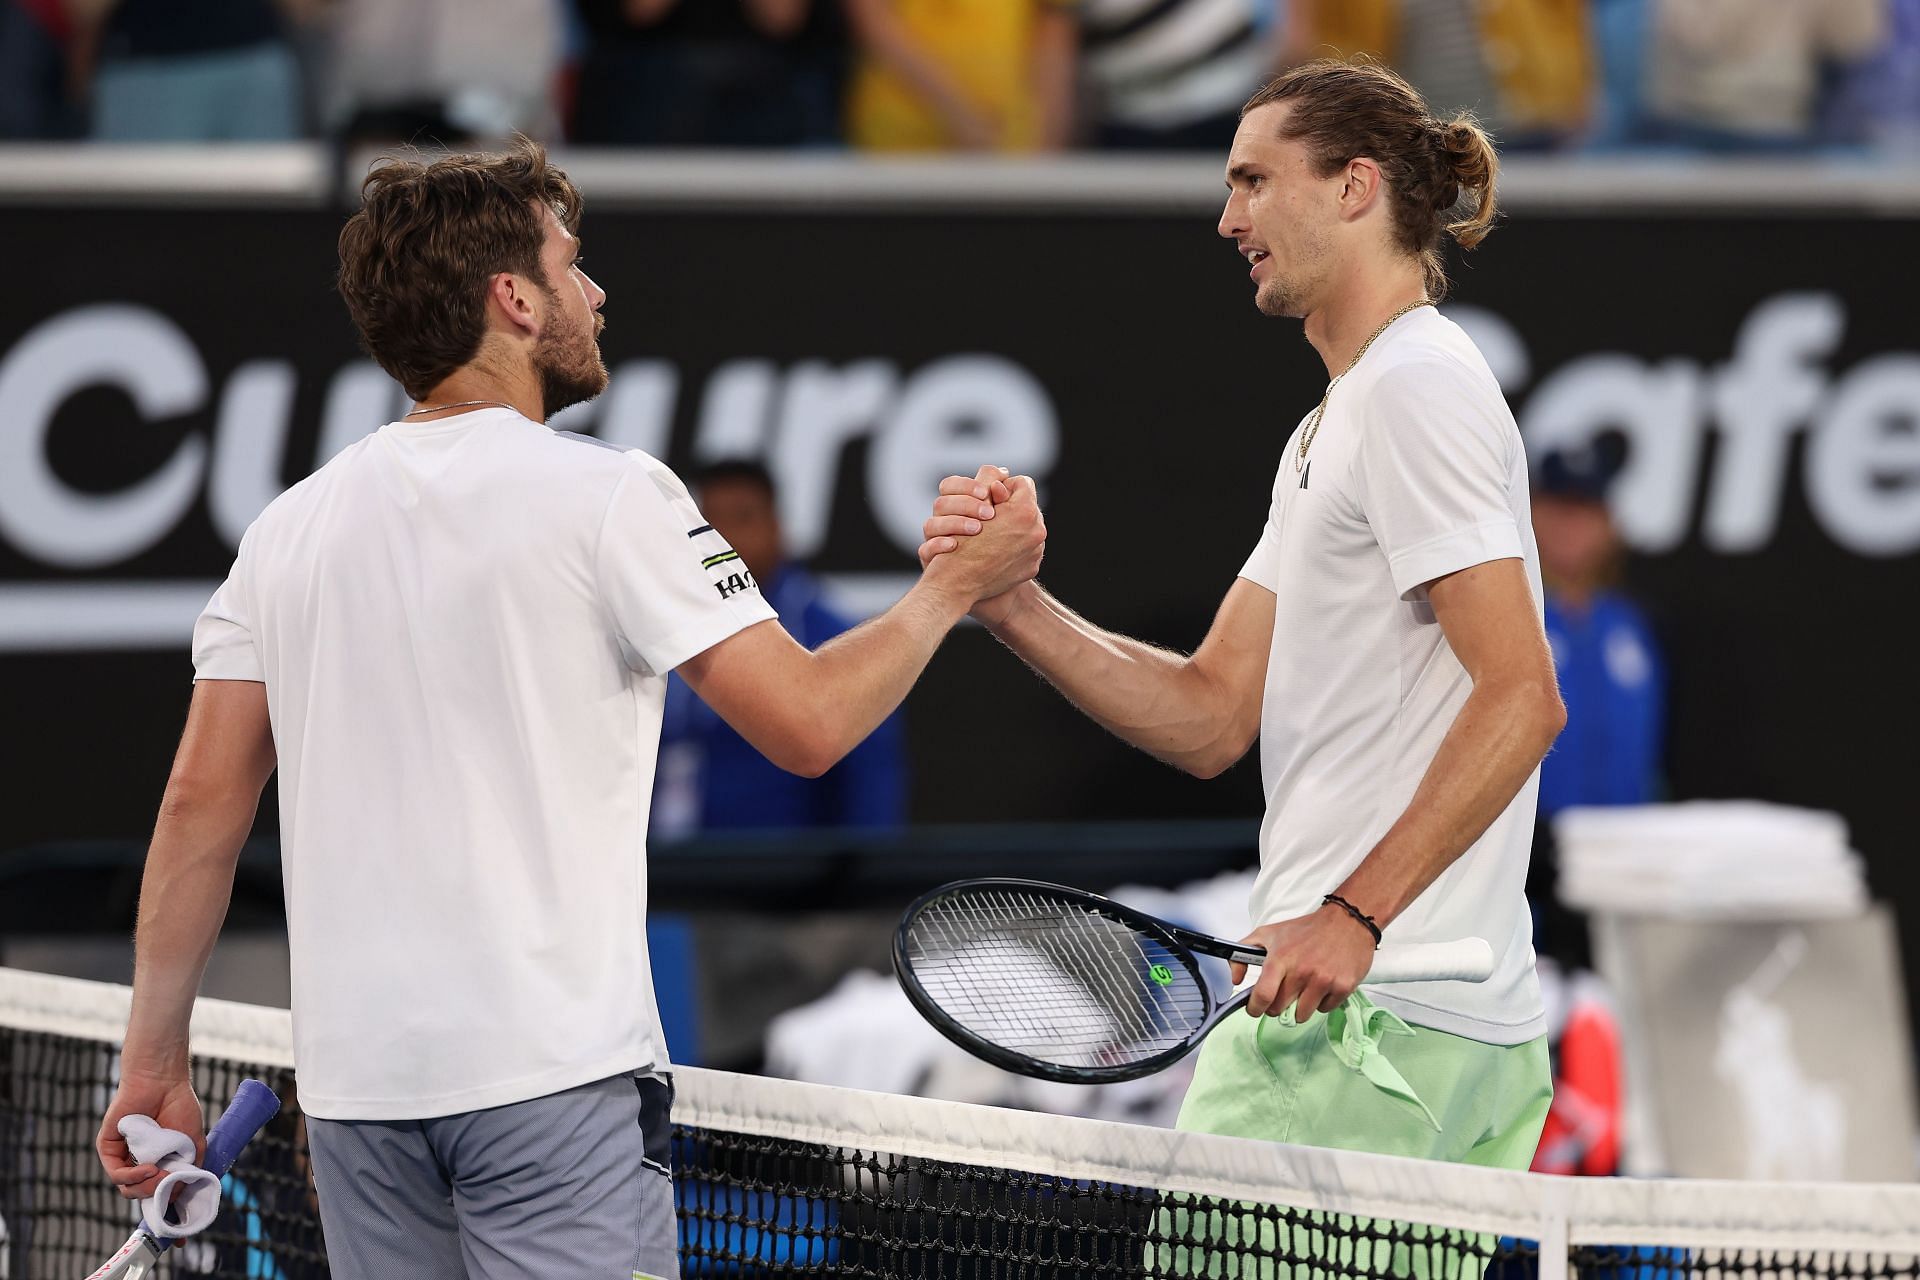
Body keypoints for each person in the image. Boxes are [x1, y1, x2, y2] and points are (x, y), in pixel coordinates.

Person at [92, 139, 1044, 1280]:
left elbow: (201, 802)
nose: (594, 293)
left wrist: (150, 1057)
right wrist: (953, 588)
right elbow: (811, 722)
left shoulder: (284, 531)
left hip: (357, 1105)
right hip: (551, 1087)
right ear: (512, 297)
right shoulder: (611, 493)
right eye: (572, 265)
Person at [922, 59, 1563, 1167]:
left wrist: (1353, 913)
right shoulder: (1337, 421)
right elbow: (1214, 712)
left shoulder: (1414, 387)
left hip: (1361, 1035)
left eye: (1256, 181)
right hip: (1412, 1036)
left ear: (1356, 188)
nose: (1229, 219)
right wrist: (1011, 603)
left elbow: (1523, 694)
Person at [655, 459, 907, 836]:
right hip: (662, 876)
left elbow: (870, 778)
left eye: (742, 518)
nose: (724, 539)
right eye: (709, 524)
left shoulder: (831, 636)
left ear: (777, 527)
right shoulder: (660, 622)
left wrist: (859, 882)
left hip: (781, 877)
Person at [843, 0, 1077, 151]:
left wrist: (1048, 139)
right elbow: (873, 21)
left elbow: (1053, 28)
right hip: (901, 143)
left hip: (1009, 138)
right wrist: (962, 116)